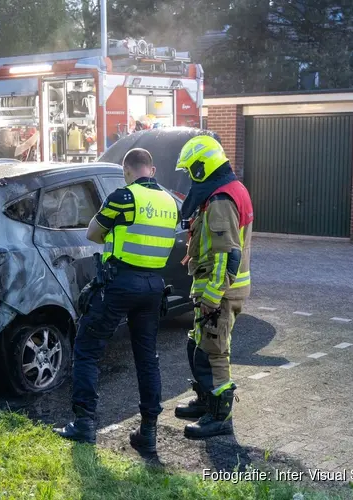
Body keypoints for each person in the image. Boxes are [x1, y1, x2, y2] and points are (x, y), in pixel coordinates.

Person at [53, 148, 179, 453]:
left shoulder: (125, 197)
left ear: (127, 171)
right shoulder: (169, 202)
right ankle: (148, 431)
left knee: (87, 348)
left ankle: (84, 424)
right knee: (147, 357)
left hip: (120, 282)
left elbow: (93, 233)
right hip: (153, 286)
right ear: (152, 169)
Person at [173, 135, 253, 439]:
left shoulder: (221, 199)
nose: (190, 176)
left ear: (201, 167)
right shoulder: (228, 189)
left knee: (215, 352)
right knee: (199, 343)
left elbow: (226, 254)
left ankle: (220, 417)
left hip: (219, 291)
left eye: (191, 169)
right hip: (214, 287)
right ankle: (206, 401)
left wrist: (211, 295)